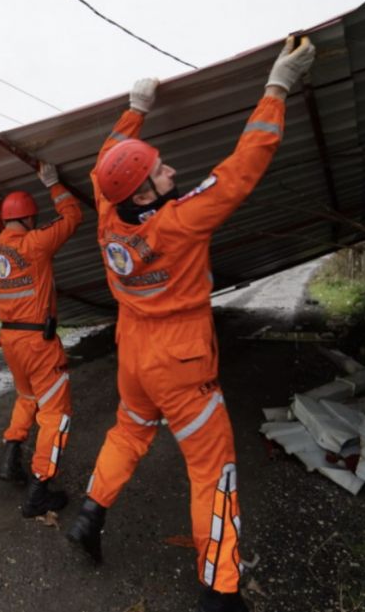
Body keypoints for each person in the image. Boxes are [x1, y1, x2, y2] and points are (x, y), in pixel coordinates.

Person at [66, 36, 315, 612]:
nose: (172, 169)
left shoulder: (109, 216)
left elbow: (107, 161)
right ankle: (220, 590)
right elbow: (243, 165)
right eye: (160, 169)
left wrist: (136, 107)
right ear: (146, 190)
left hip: (134, 352)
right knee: (212, 469)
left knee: (128, 432)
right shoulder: (179, 222)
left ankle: (90, 514)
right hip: (181, 360)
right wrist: (277, 86)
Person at [0, 162, 82, 517]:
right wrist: (54, 184)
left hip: (10, 341)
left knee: (27, 397)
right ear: (28, 218)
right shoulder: (36, 243)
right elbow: (72, 216)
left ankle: (11, 456)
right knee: (56, 413)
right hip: (38, 342)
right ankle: (40, 488)